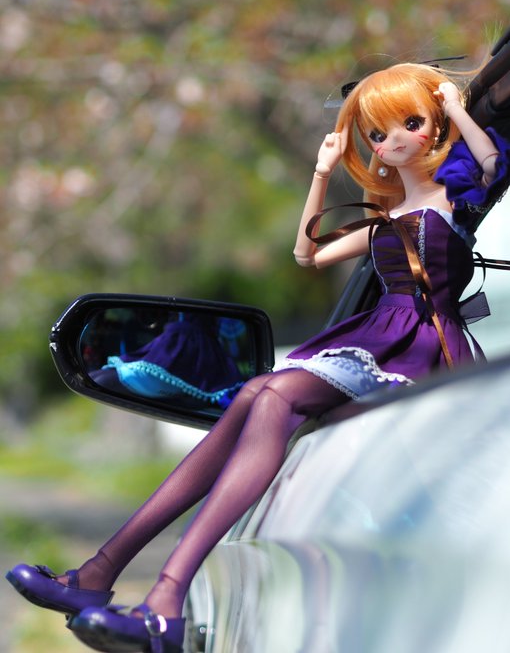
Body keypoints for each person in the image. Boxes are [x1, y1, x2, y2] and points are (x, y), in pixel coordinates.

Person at [6, 58, 510, 653]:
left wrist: (454, 107)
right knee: (254, 393)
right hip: (375, 338)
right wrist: (321, 173)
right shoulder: (385, 220)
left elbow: (493, 164)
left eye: (410, 123)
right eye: (377, 133)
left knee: (270, 394)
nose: (393, 141)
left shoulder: (457, 198)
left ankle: (155, 593)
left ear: (434, 125)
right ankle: (104, 573)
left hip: (421, 346)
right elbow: (307, 255)